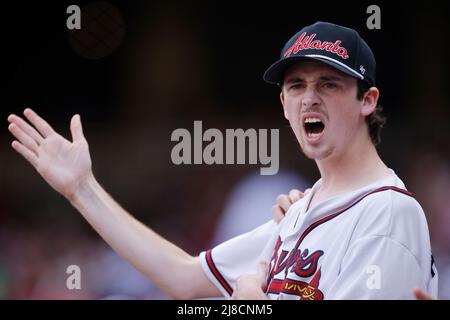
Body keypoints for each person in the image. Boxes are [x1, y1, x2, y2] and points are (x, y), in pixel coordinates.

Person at [7, 21, 438, 299]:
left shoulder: (388, 212)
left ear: (368, 100)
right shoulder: (298, 213)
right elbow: (182, 277)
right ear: (284, 104)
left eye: (329, 84)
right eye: (296, 85)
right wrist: (83, 189)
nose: (309, 97)